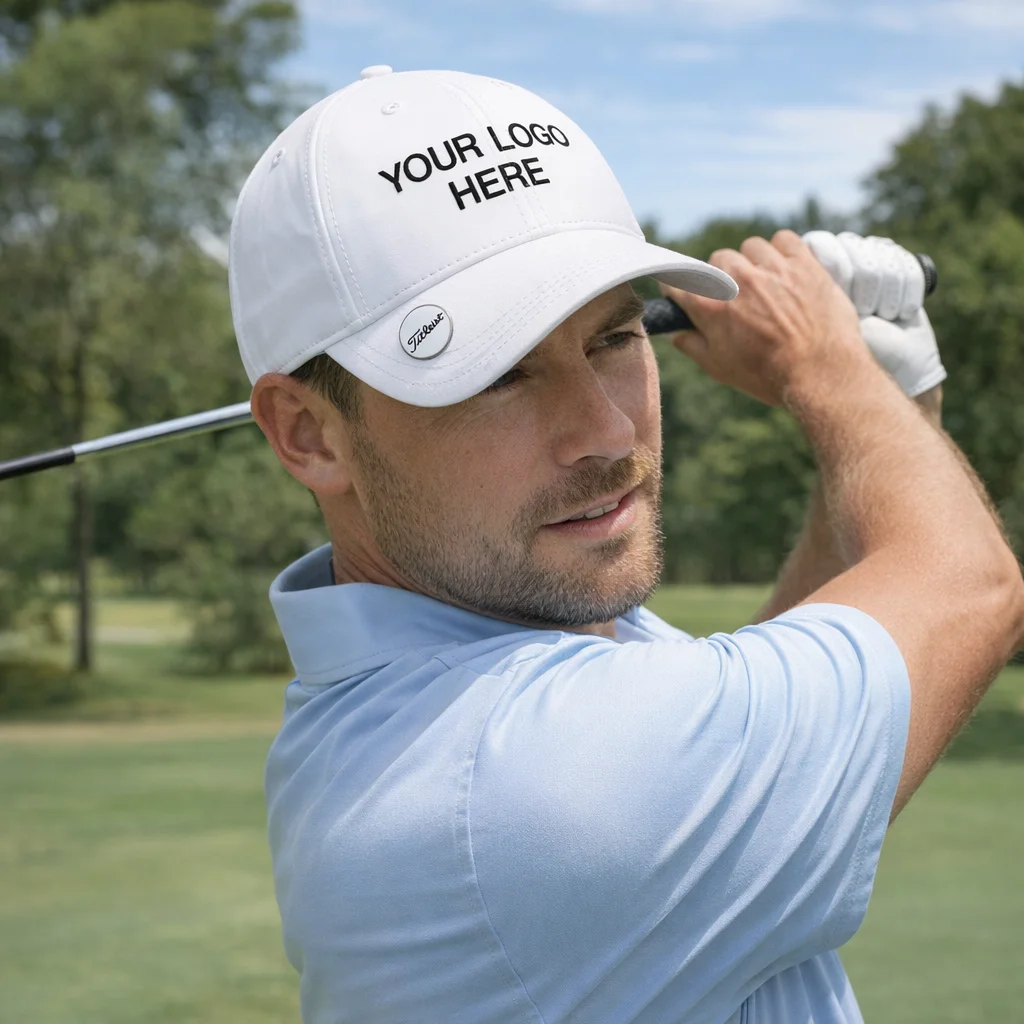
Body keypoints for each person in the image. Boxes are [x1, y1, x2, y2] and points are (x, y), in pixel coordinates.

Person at [229, 67, 1024, 1024]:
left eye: (612, 339)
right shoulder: (518, 784)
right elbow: (968, 586)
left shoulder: (468, 678)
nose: (604, 432)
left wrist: (884, 410)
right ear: (308, 432)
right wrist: (828, 371)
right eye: (499, 378)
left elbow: (740, 707)